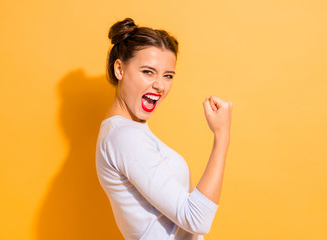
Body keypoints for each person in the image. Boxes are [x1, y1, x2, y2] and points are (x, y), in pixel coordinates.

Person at [96, 18, 233, 240]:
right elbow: (196, 219)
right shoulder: (125, 137)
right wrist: (222, 136)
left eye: (168, 75)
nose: (160, 85)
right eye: (148, 72)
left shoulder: (129, 132)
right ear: (120, 69)